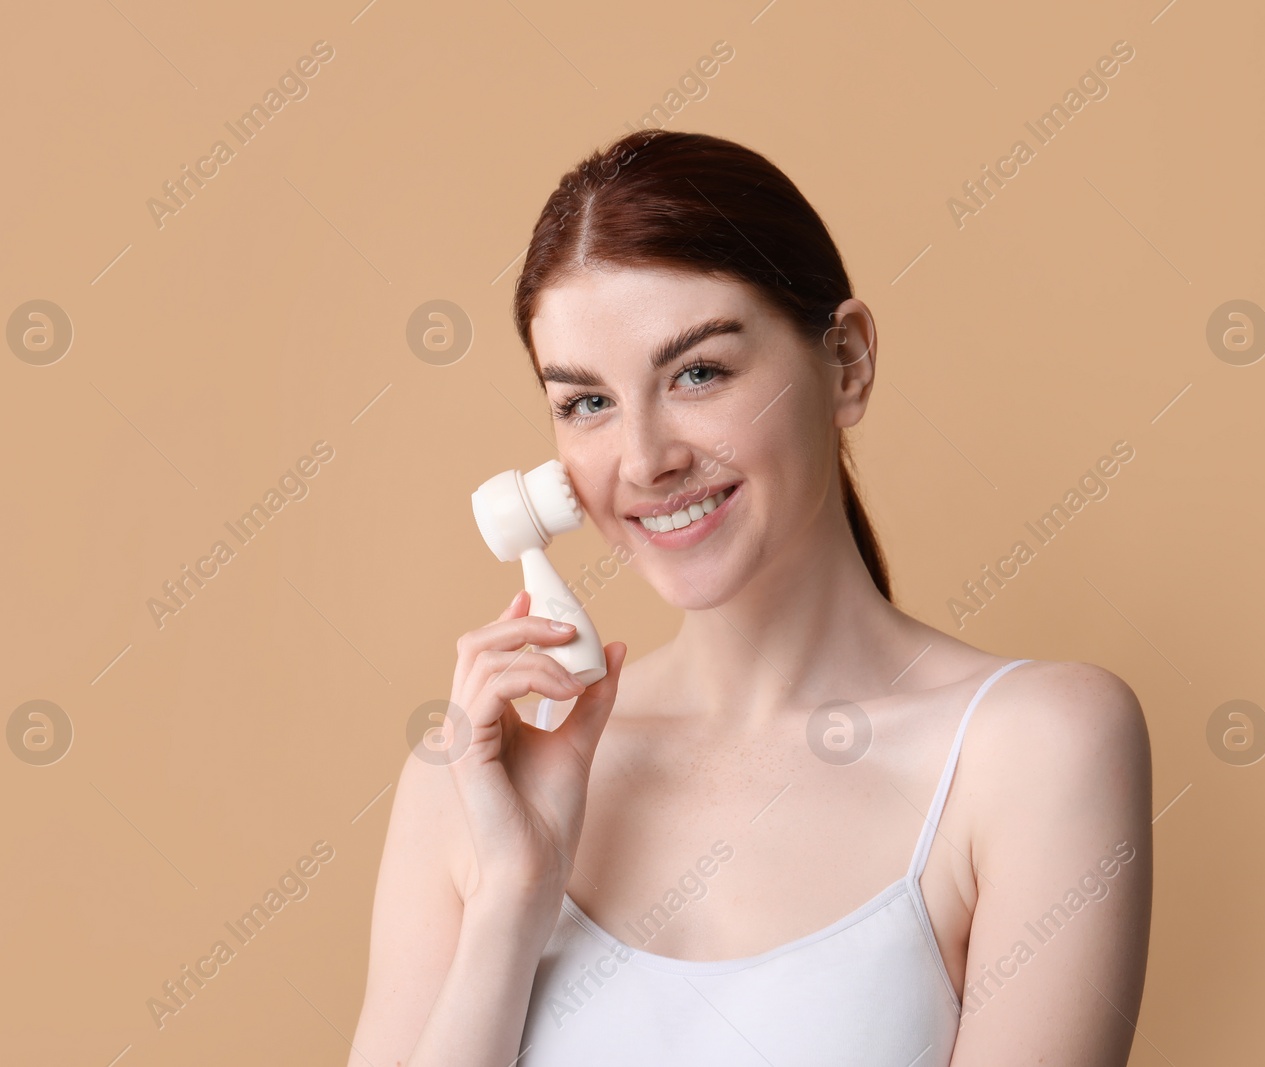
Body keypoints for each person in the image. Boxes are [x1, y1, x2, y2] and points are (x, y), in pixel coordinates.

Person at [348, 129, 1152, 1066]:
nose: (646, 460)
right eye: (586, 403)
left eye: (698, 372)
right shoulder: (471, 787)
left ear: (846, 361)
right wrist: (510, 900)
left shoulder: (1034, 747)